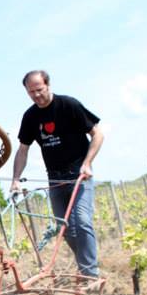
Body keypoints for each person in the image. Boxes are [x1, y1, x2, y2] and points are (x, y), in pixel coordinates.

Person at [10, 69, 104, 281]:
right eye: (31, 92)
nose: (36, 95)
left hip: (79, 175)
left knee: (81, 221)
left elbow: (98, 134)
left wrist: (87, 163)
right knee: (66, 228)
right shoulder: (31, 116)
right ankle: (84, 268)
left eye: (39, 89)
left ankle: (91, 274)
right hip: (54, 178)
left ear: (48, 85)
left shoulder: (69, 105)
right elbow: (22, 150)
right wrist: (15, 179)